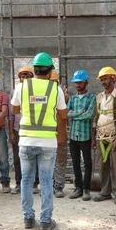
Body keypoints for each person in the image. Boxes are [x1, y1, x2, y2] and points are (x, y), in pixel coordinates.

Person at [11, 52, 67, 230]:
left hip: (26, 141)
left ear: (34, 70)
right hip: (47, 143)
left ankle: (28, 218)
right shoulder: (55, 89)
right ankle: (45, 221)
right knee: (46, 181)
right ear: (51, 70)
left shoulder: (22, 87)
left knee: (26, 180)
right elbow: (63, 115)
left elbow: (14, 109)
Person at [92, 67, 116, 205]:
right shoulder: (99, 97)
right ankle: (105, 192)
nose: (103, 82)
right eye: (101, 79)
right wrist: (94, 136)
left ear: (113, 79)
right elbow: (96, 116)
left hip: (115, 137)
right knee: (102, 165)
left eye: (105, 79)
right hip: (101, 137)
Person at [9, 66, 40, 195]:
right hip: (18, 129)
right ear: (19, 78)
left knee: (34, 157)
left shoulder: (37, 90)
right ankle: (18, 183)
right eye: (22, 76)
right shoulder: (14, 91)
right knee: (18, 158)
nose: (25, 78)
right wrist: (11, 132)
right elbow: (11, 114)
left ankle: (34, 183)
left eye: (27, 75)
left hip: (33, 129)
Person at [67, 69, 96, 201]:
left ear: (86, 82)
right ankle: (78, 188)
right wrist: (80, 112)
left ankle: (86, 189)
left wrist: (75, 114)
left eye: (80, 82)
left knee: (88, 163)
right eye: (76, 83)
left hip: (85, 135)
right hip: (73, 136)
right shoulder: (72, 98)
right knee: (75, 162)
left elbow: (90, 115)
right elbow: (67, 113)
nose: (78, 85)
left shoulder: (91, 97)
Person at [49, 70, 69, 198]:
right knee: (48, 162)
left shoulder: (61, 94)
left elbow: (63, 115)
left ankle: (58, 187)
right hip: (47, 135)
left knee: (60, 161)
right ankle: (50, 187)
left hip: (60, 134)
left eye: (55, 82)